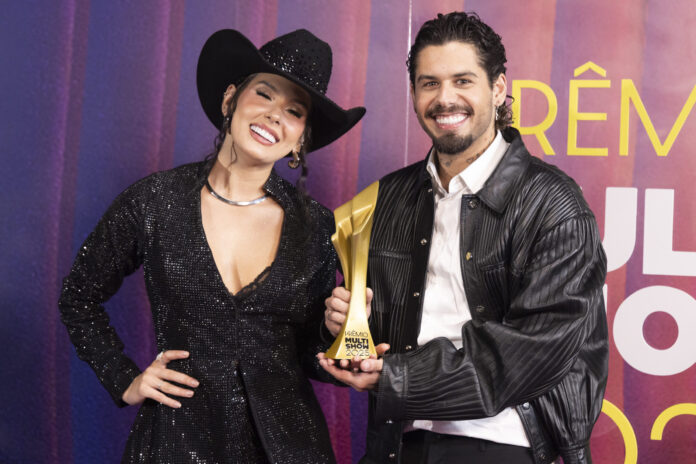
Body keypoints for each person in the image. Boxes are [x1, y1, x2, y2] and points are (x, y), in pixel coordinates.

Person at [59, 28, 364, 463]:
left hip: (289, 448)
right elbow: (78, 297)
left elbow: (309, 354)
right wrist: (123, 378)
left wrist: (340, 340)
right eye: (264, 94)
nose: (274, 116)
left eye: (294, 111)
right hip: (175, 443)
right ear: (230, 100)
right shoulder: (154, 201)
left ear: (301, 139)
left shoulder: (318, 227)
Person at [319, 11, 608, 464]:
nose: (445, 98)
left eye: (462, 81)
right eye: (429, 83)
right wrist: (344, 329)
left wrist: (396, 378)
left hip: (505, 441)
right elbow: (362, 345)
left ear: (498, 88)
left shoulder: (553, 203)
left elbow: (535, 351)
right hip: (399, 442)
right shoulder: (386, 199)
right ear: (414, 94)